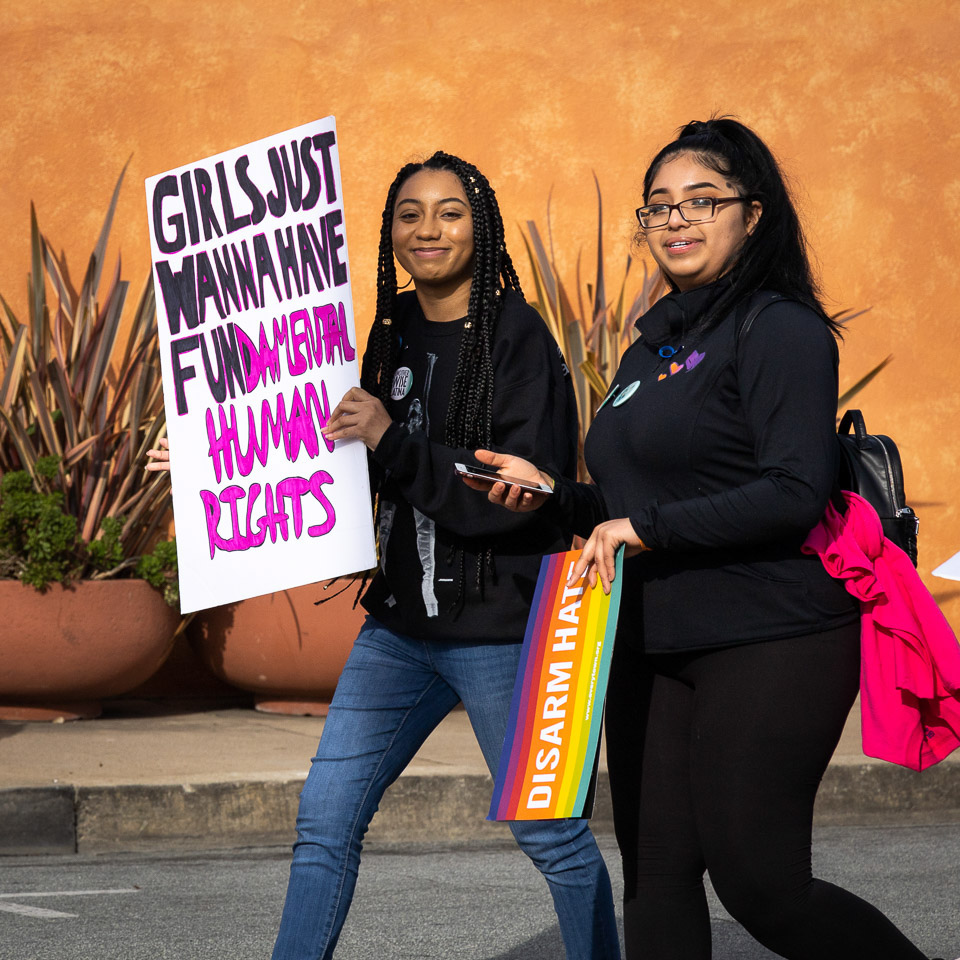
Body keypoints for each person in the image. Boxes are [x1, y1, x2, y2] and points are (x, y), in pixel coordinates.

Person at [471, 118, 937, 960]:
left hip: (772, 635)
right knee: (656, 873)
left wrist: (641, 526)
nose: (676, 220)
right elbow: (625, 502)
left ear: (751, 215)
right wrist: (552, 497)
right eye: (658, 207)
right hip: (650, 638)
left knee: (760, 882)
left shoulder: (780, 328)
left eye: (702, 201)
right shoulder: (653, 344)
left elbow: (794, 493)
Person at [149, 151, 620, 960]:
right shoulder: (392, 327)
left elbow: (510, 503)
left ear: (483, 224)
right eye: (408, 213)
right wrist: (211, 459)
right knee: (324, 823)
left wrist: (391, 441)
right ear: (389, 230)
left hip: (503, 634)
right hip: (399, 633)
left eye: (448, 211)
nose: (426, 229)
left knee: (552, 838)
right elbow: (340, 444)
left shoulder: (519, 337)